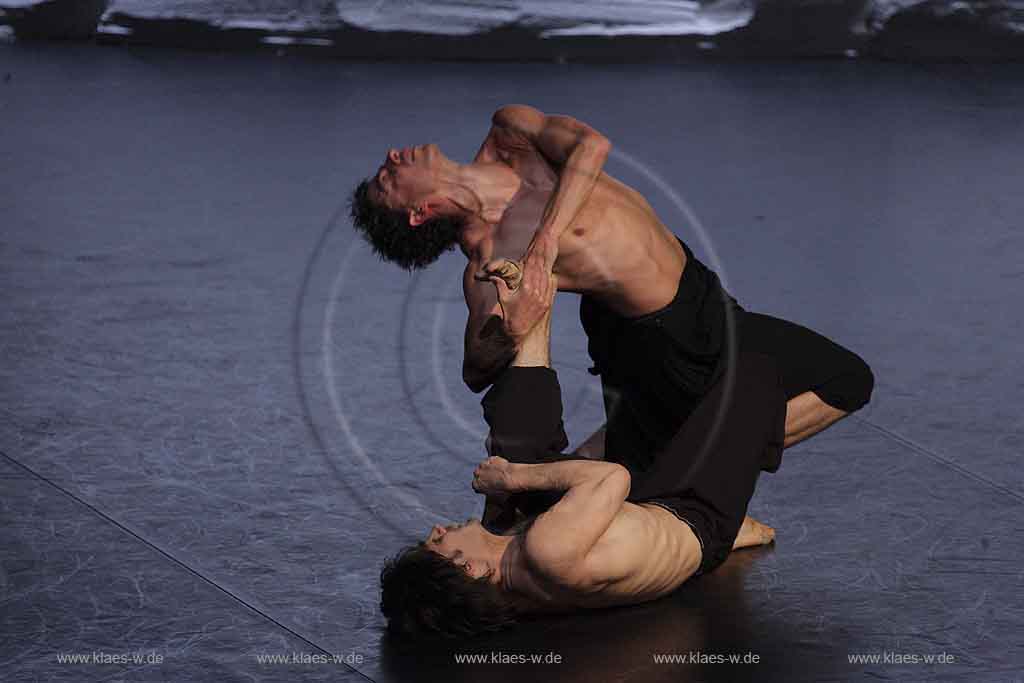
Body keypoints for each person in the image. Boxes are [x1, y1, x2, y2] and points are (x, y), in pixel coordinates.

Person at [349, 105, 874, 480]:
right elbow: (474, 368)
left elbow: (591, 144)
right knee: (848, 379)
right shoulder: (489, 256)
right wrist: (510, 329)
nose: (393, 155)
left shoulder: (510, 133)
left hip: (696, 295)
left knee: (647, 455)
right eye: (385, 177)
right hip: (662, 330)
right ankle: (703, 471)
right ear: (417, 214)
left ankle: (686, 467)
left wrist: (545, 243)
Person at [380, 276, 784, 642]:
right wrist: (510, 479)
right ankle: (736, 520)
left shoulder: (512, 585)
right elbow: (611, 479)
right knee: (756, 365)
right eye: (434, 543)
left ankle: (535, 303)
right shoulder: (547, 550)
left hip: (624, 516)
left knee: (516, 449)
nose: (435, 529)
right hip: (695, 510)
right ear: (469, 568)